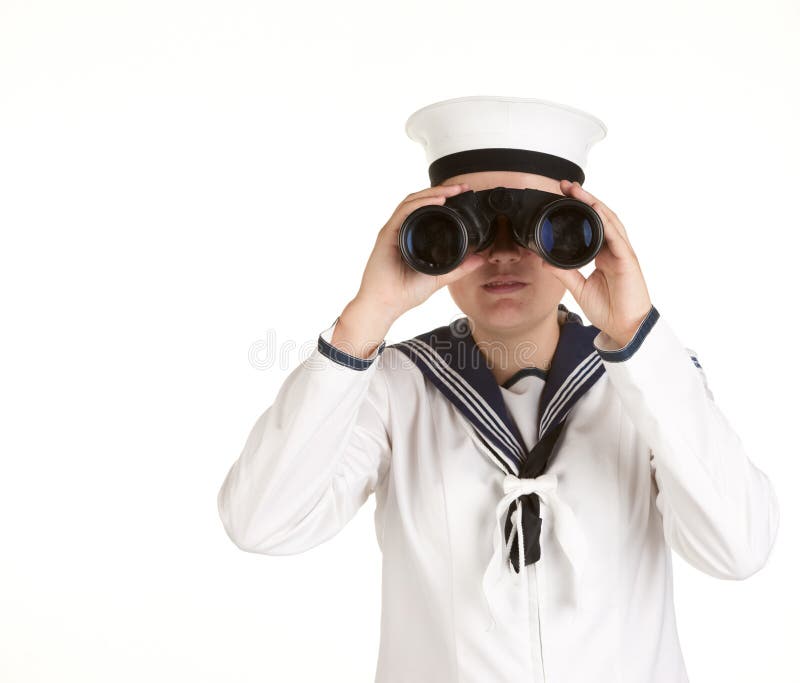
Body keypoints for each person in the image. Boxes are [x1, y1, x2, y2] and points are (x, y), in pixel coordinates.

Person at [217, 96, 780, 683]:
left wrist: (637, 338)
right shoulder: (394, 388)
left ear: (583, 235)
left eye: (539, 227)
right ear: (431, 235)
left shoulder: (650, 380)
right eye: (474, 228)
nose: (505, 253)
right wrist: (366, 319)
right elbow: (260, 523)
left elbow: (738, 550)